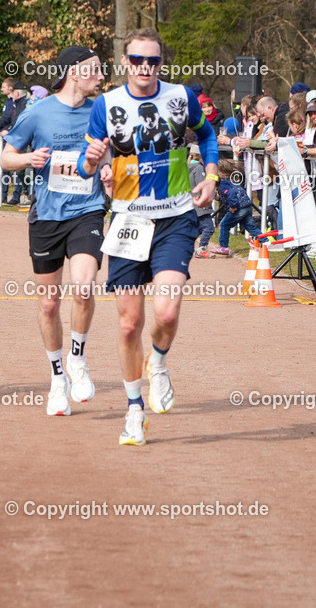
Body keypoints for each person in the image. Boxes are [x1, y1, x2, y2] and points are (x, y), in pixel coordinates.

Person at [78, 28, 218, 446]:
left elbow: (207, 135)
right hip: (128, 220)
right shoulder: (106, 105)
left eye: (153, 61)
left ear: (161, 63)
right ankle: (134, 410)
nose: (145, 67)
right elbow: (89, 166)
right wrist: (89, 162)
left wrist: (210, 176)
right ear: (125, 62)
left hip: (175, 216)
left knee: (167, 313)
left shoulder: (179, 97)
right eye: (137, 60)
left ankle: (157, 363)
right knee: (127, 325)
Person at [0, 45, 109, 417]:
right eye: (95, 68)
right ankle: (57, 378)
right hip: (46, 216)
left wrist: (108, 168)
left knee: (83, 286)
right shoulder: (37, 113)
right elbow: (6, 156)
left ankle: (77, 359)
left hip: (88, 211)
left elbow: (115, 153)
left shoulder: (102, 111)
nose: (101, 74)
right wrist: (28, 159)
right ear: (74, 72)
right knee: (49, 304)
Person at [0, 80, 29, 205]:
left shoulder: (24, 105)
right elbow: (6, 119)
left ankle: (17, 196)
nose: (1, 89)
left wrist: (8, 131)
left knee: (18, 170)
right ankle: (2, 195)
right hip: (12, 138)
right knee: (5, 167)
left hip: (20, 140)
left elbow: (19, 122)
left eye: (3, 87)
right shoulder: (14, 103)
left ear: (17, 93)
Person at [212, 158, 260, 256]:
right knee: (250, 227)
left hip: (239, 208)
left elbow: (231, 194)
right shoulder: (231, 181)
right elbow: (229, 195)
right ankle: (266, 241)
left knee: (224, 225)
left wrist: (233, 206)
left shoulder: (223, 184)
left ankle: (224, 247)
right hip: (247, 205)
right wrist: (218, 198)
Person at [188, 149, 215, 258]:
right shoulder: (198, 168)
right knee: (209, 227)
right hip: (200, 203)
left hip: (190, 202)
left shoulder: (186, 167)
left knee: (197, 228)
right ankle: (202, 248)